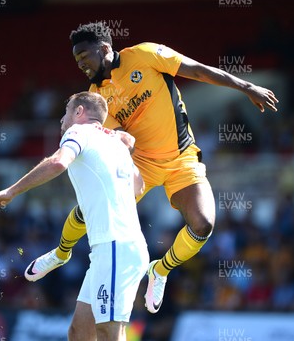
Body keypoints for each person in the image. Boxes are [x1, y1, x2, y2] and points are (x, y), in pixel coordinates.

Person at [27, 21, 279, 335]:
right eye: (76, 60)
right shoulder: (95, 96)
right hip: (141, 165)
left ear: (105, 48)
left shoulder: (145, 55)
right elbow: (102, 136)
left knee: (203, 225)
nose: (80, 64)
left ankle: (160, 270)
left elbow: (198, 70)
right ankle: (61, 252)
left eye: (84, 56)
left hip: (182, 159)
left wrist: (247, 87)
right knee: (88, 209)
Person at [0, 91, 149, 341]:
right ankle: (60, 254)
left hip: (115, 247)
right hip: (112, 249)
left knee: (110, 333)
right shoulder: (117, 144)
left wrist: (12, 191)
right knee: (80, 332)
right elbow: (138, 188)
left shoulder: (78, 132)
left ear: (79, 112)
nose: (61, 118)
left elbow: (58, 163)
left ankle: (60, 254)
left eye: (66, 111)